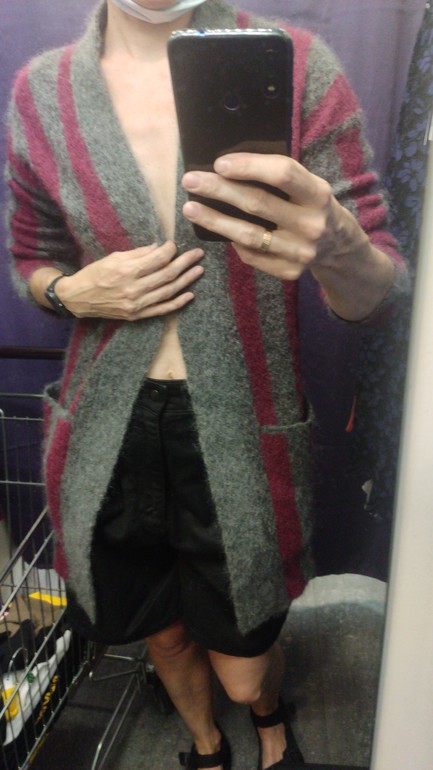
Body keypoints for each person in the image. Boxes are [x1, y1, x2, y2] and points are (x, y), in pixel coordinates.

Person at [5, 0, 407, 768]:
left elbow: (380, 289)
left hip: (240, 423)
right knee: (163, 633)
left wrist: (340, 246)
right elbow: (32, 255)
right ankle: (205, 744)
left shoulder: (293, 66)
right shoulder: (44, 91)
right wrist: (67, 291)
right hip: (108, 428)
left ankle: (267, 715)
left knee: (244, 655)